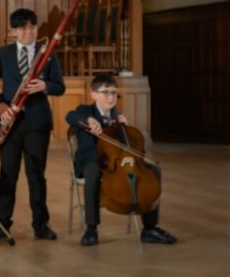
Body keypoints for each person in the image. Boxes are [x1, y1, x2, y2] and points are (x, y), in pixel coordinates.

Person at [66, 74, 177, 246]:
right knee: (93, 172)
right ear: (94, 94)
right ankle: (91, 229)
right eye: (106, 93)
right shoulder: (85, 111)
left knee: (154, 171)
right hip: (92, 160)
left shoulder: (118, 116)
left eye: (114, 93)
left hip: (116, 162)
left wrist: (123, 127)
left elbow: (129, 147)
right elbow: (70, 116)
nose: (111, 97)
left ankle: (149, 228)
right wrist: (89, 120)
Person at [0, 8, 65, 242]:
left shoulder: (47, 53)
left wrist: (45, 86)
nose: (28, 31)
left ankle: (41, 225)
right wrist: (0, 106)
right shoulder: (3, 53)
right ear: (13, 32)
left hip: (37, 123)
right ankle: (1, 224)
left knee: (36, 175)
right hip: (10, 122)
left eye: (32, 27)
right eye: (22, 28)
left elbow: (60, 87)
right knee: (8, 174)